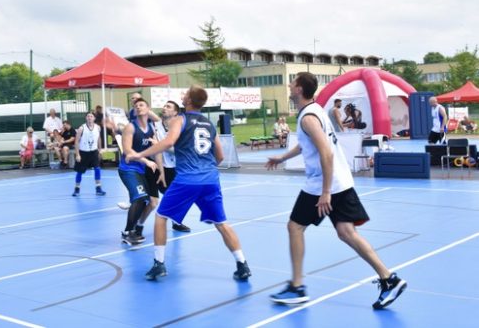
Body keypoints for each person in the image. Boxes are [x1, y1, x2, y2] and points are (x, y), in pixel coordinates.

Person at [265, 72, 406, 309]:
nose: (289, 85)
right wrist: (282, 157)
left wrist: (325, 192)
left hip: (323, 185)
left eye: (292, 82)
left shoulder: (309, 117)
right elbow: (307, 143)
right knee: (346, 233)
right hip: (340, 181)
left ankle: (297, 287)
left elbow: (326, 153)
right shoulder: (316, 110)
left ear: (299, 88)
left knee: (295, 226)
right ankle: (389, 279)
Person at [127, 85, 251, 282]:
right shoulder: (209, 124)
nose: (182, 95)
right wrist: (205, 167)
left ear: (189, 101)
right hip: (210, 179)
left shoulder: (180, 120)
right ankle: (242, 264)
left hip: (187, 179)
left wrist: (139, 154)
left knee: (161, 216)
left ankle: (159, 264)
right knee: (221, 222)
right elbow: (219, 155)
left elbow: (168, 143)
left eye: (185, 94)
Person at [118, 98, 163, 245]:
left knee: (147, 201)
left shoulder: (151, 128)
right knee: (139, 197)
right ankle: (127, 232)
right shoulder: (130, 127)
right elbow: (127, 151)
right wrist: (146, 160)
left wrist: (161, 171)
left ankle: (135, 229)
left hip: (142, 170)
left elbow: (157, 150)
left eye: (141, 105)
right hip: (128, 168)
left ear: (148, 108)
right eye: (136, 106)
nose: (138, 107)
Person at [152, 101, 191, 233]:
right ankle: (135, 224)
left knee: (176, 196)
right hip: (158, 167)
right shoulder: (155, 126)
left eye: (168, 107)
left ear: (175, 112)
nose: (164, 108)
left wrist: (163, 145)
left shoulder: (180, 128)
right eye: (164, 106)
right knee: (151, 198)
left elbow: (178, 150)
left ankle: (176, 221)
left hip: (176, 167)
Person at [73, 112, 106, 196]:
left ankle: (98, 188)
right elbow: (76, 141)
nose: (89, 118)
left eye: (91, 116)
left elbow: (99, 138)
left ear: (94, 118)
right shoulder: (81, 128)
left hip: (94, 152)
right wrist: (77, 154)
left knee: (97, 169)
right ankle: (77, 189)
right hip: (83, 152)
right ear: (86, 118)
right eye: (88, 116)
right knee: (79, 171)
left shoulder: (98, 127)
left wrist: (100, 149)